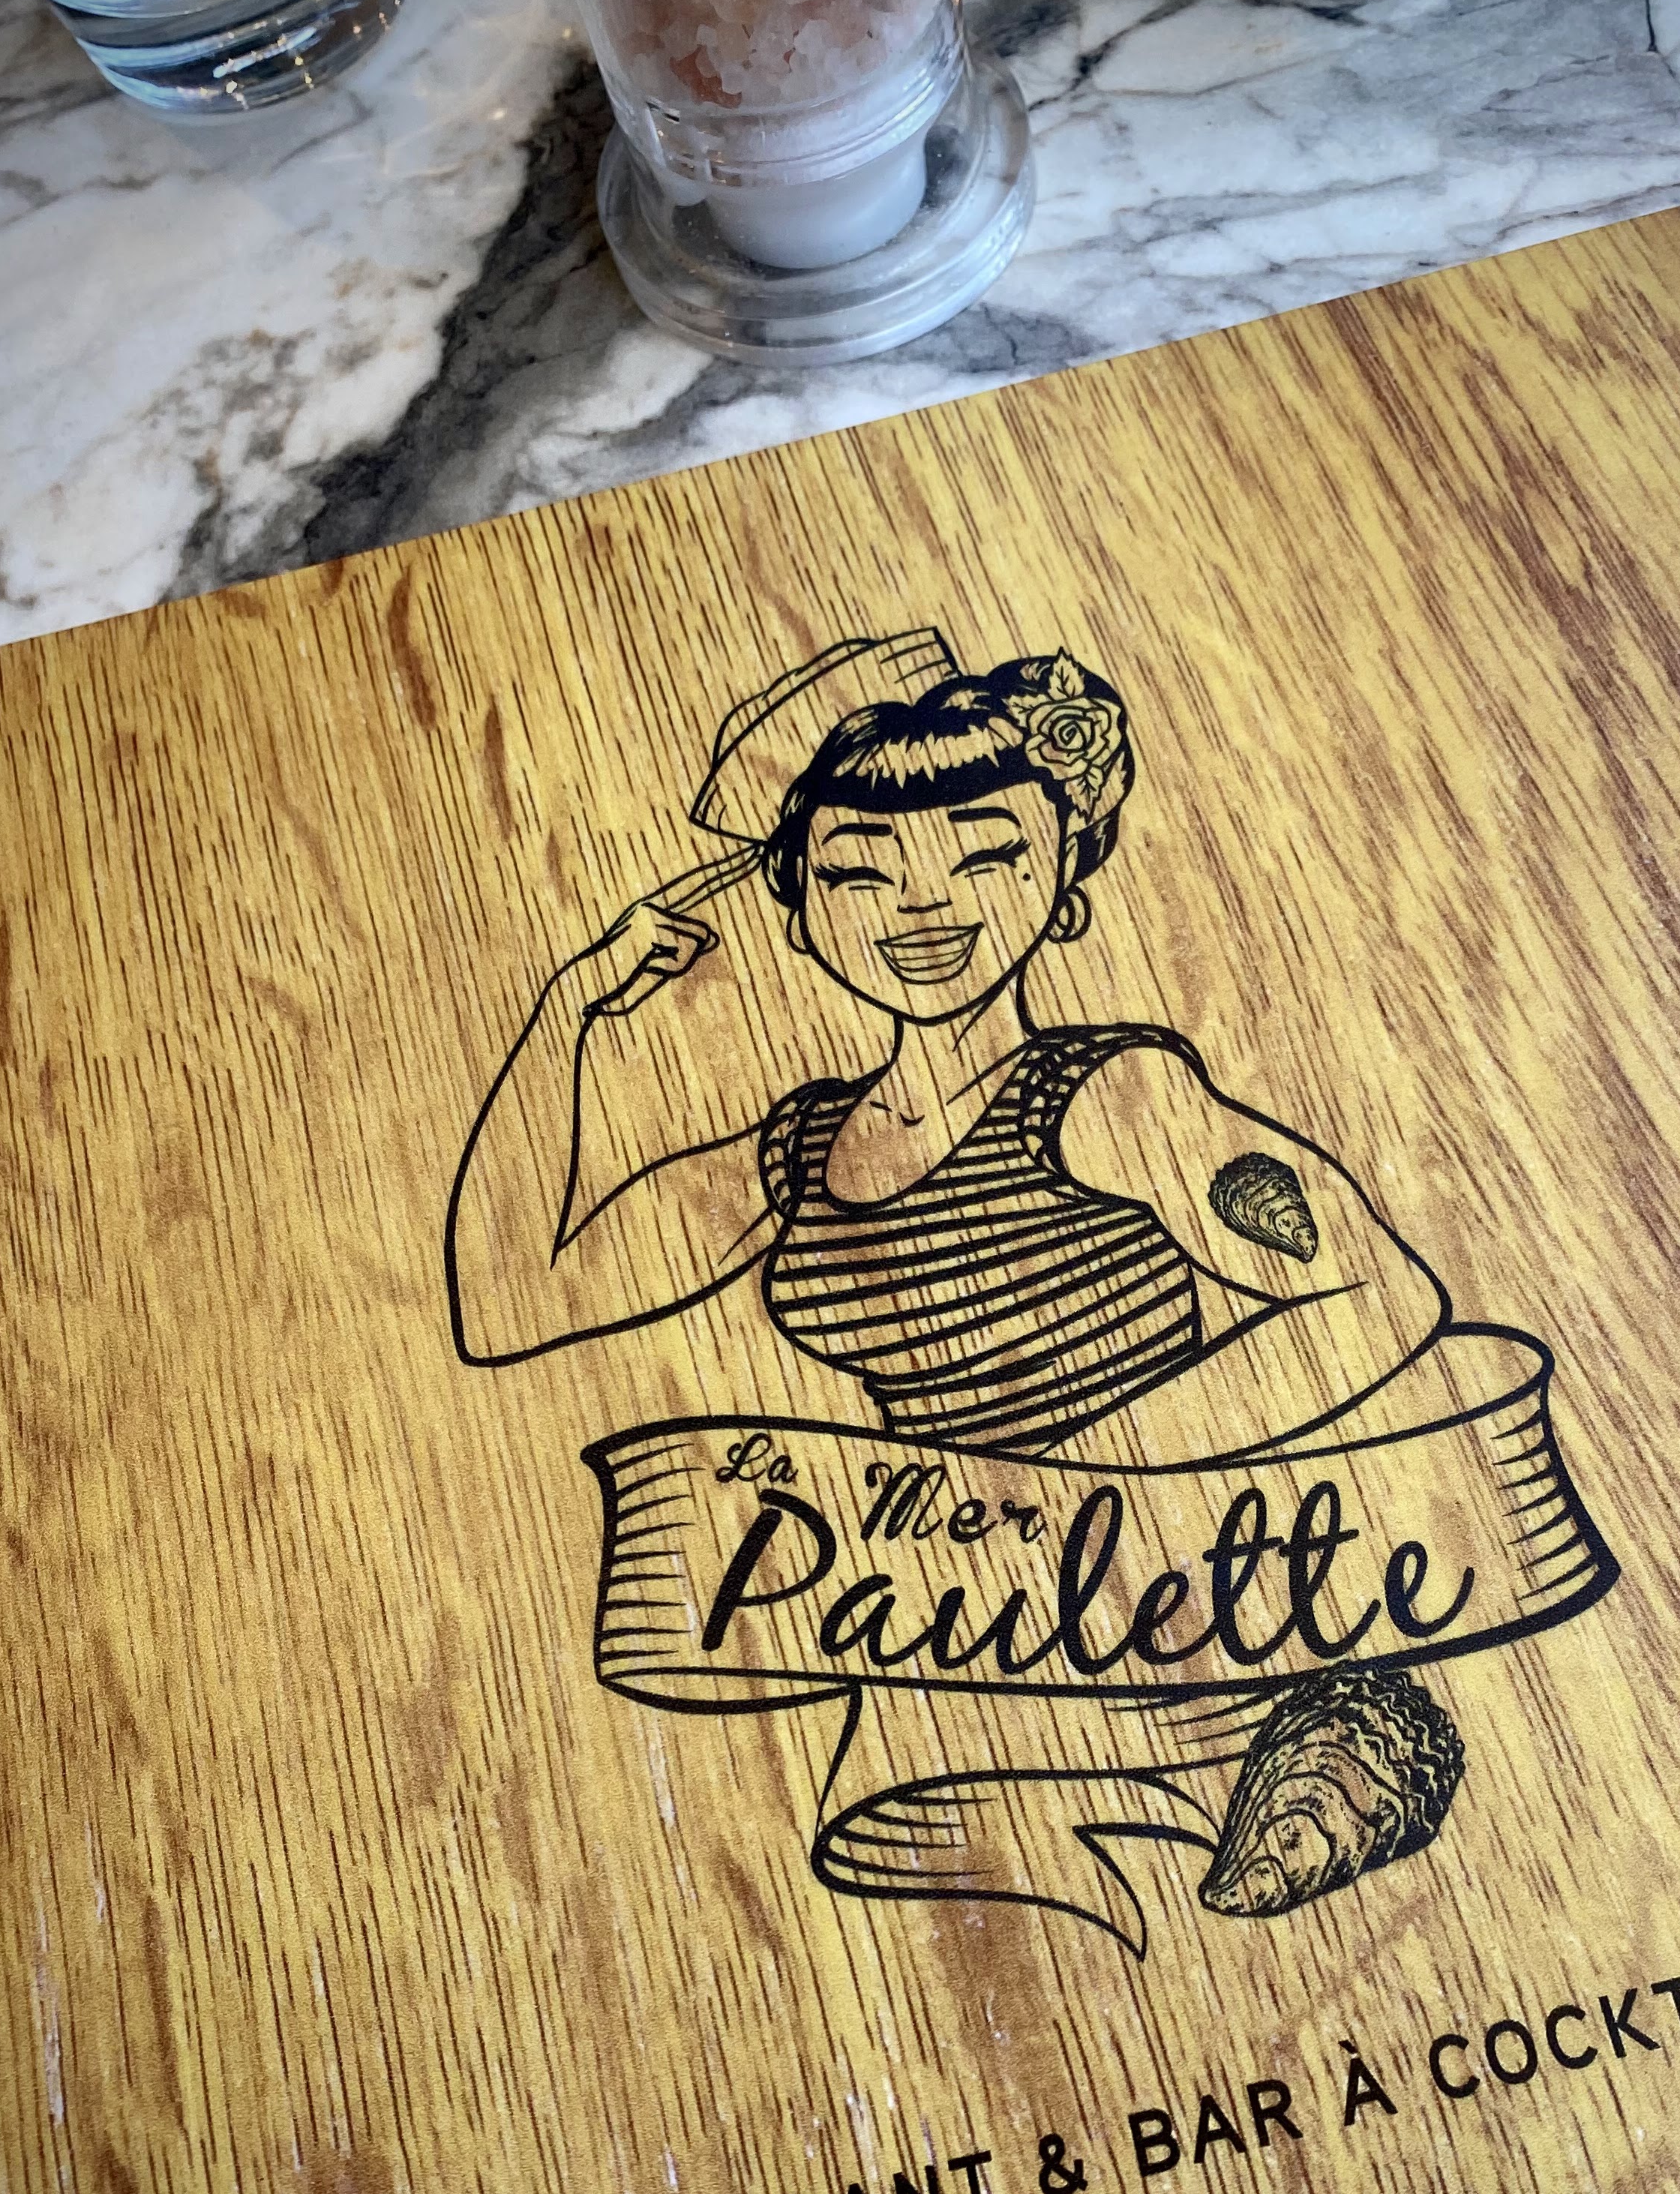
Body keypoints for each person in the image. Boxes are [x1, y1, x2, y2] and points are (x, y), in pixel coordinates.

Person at [448, 646, 1468, 1928]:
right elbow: (510, 1302)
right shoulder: (800, 1152)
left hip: (1189, 1625)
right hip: (958, 1662)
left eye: (983, 856)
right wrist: (569, 1011)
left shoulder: (1108, 1096)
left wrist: (1087, 1483)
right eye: (859, 871)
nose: (920, 904)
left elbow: (1378, 1288)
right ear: (803, 916)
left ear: (1062, 888)